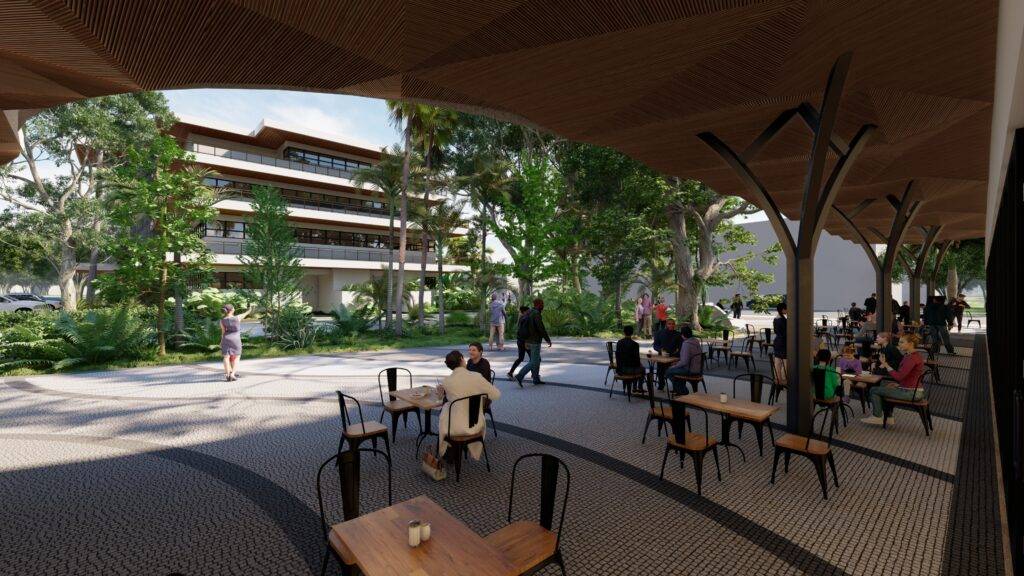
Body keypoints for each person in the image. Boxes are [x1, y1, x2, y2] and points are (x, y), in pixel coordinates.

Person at [437, 350, 502, 459]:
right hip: (474, 424)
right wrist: (482, 392)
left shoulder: (446, 381)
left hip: (452, 427)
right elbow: (496, 395)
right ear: (462, 359)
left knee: (446, 409)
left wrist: (442, 392)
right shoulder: (476, 377)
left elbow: (442, 399)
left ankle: (450, 451)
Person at [861, 333, 926, 425]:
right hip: (911, 389)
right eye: (899, 342)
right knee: (885, 385)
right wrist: (899, 385)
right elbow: (909, 376)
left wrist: (886, 365)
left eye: (902, 342)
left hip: (912, 393)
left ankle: (877, 416)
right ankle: (889, 417)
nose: (899, 344)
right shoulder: (912, 355)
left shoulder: (912, 358)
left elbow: (899, 376)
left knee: (874, 390)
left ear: (911, 344)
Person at [515, 298, 552, 386]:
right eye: (542, 304)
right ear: (538, 305)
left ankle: (536, 379)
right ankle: (520, 376)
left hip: (527, 340)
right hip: (534, 341)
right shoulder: (536, 314)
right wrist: (547, 339)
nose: (543, 306)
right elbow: (541, 328)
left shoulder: (529, 312)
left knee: (537, 359)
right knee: (534, 361)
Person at [220, 303, 254, 382]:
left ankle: (227, 375)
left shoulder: (222, 320)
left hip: (226, 338)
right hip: (235, 339)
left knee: (226, 357)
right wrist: (250, 308)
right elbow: (246, 313)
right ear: (232, 310)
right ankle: (232, 374)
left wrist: (221, 341)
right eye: (234, 308)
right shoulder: (237, 317)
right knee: (237, 357)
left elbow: (223, 332)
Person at [665, 325, 702, 395]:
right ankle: (678, 389)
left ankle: (682, 390)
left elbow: (684, 362)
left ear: (682, 335)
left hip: (690, 370)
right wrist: (677, 363)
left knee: (668, 371)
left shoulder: (686, 344)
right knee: (675, 369)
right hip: (697, 368)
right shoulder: (696, 341)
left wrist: (675, 366)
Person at [652, 319, 683, 390]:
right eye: (669, 324)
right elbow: (655, 345)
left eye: (673, 324)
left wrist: (677, 354)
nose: (671, 325)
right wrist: (660, 350)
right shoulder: (659, 333)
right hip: (662, 356)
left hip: (673, 356)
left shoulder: (678, 334)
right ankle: (661, 384)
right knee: (660, 370)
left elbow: (681, 347)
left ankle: (675, 386)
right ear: (666, 324)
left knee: (674, 371)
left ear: (675, 325)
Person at [615, 325, 645, 393]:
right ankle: (638, 387)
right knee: (642, 369)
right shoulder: (635, 344)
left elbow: (617, 356)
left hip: (620, 370)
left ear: (624, 332)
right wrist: (640, 365)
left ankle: (634, 387)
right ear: (632, 333)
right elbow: (637, 360)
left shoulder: (619, 343)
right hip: (630, 370)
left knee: (637, 367)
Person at [507, 305, 532, 381]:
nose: (530, 312)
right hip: (525, 342)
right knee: (533, 359)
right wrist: (527, 340)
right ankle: (534, 374)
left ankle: (510, 372)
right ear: (525, 311)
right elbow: (525, 331)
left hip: (520, 341)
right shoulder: (526, 318)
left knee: (521, 358)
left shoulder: (521, 318)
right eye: (528, 310)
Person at [772, 302, 788, 383]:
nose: (787, 310)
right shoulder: (783, 320)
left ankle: (777, 379)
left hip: (777, 341)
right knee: (785, 361)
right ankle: (784, 380)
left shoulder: (775, 319)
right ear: (782, 310)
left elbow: (775, 331)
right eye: (786, 309)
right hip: (783, 342)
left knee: (777, 361)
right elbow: (787, 332)